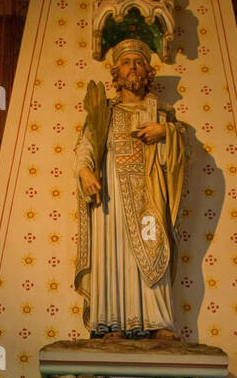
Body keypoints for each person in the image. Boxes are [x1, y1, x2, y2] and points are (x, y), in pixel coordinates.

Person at [74, 39, 184, 341]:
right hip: (110, 197)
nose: (132, 68)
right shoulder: (104, 112)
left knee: (153, 248)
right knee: (113, 254)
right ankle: (112, 323)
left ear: (148, 71)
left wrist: (167, 133)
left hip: (149, 193)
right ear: (115, 72)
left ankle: (158, 320)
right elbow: (85, 147)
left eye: (138, 62)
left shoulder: (160, 111)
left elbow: (181, 149)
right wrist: (85, 172)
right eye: (126, 62)